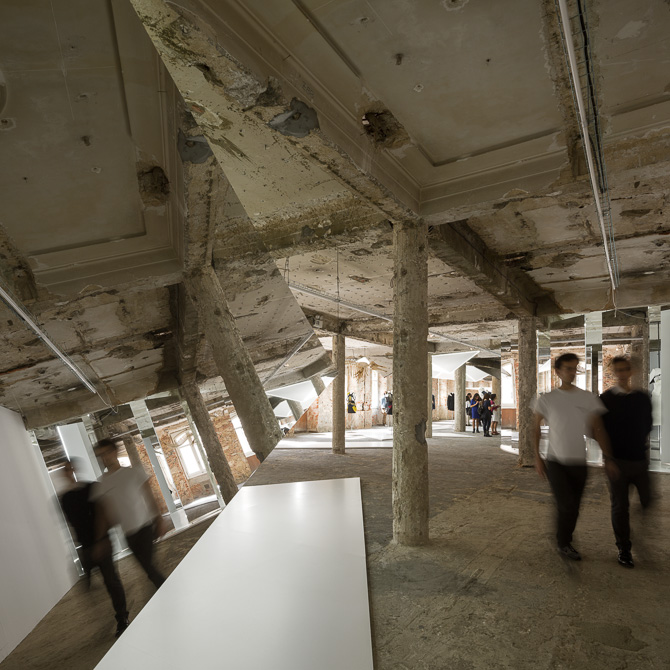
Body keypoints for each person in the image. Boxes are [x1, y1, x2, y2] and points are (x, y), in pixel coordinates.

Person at [533, 353, 615, 560]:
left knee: (574, 506)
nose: (572, 372)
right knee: (565, 504)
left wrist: (607, 457)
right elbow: (534, 428)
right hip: (556, 461)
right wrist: (537, 457)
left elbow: (598, 429)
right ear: (558, 372)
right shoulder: (547, 399)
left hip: (579, 461)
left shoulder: (587, 398)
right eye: (568, 368)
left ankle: (564, 538)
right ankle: (564, 542)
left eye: (574, 368)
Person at [60, 459, 129, 637]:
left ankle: (122, 617)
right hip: (86, 547)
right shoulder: (65, 499)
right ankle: (110, 616)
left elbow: (103, 514)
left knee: (111, 581)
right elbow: (72, 524)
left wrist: (100, 542)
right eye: (65, 470)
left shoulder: (92, 488)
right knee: (89, 585)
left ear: (75, 469)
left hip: (102, 542)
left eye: (70, 468)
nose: (68, 472)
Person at [600, 356, 653, 568]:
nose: (622, 374)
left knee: (647, 499)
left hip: (639, 460)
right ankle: (624, 548)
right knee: (620, 507)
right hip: (617, 462)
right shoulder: (606, 399)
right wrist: (608, 459)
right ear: (614, 373)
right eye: (618, 370)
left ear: (631, 371)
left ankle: (632, 536)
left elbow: (647, 424)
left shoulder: (642, 397)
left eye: (625, 369)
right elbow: (600, 431)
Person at [92, 439, 167, 590]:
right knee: (148, 567)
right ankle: (164, 589)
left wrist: (159, 519)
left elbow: (150, 496)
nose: (104, 458)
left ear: (115, 452)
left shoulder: (133, 473)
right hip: (128, 534)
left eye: (106, 453)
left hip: (145, 527)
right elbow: (104, 514)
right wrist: (100, 540)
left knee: (149, 567)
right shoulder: (102, 484)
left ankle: (166, 590)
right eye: (100, 455)